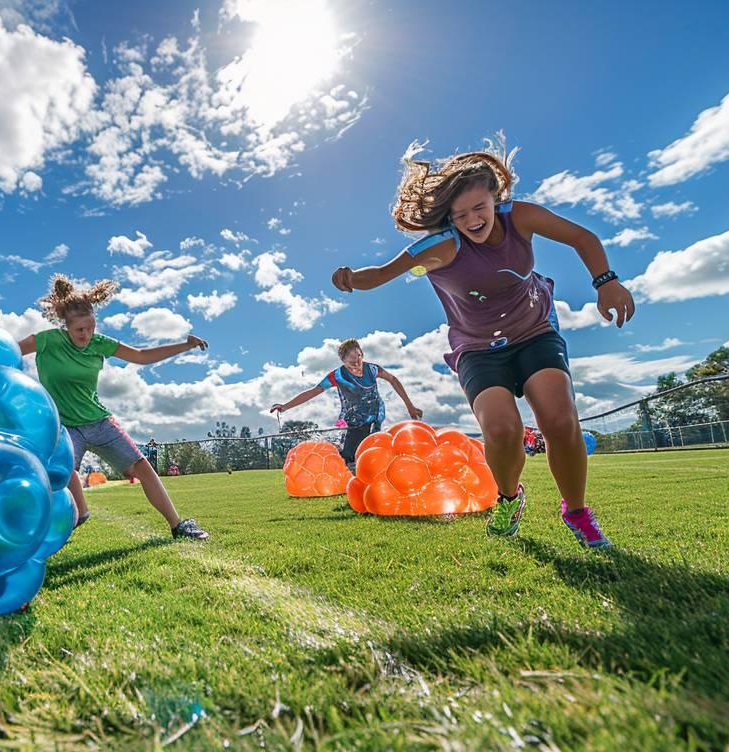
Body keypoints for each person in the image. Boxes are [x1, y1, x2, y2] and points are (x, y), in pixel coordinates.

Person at [329, 137, 635, 548]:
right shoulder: (439, 248)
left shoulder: (520, 218)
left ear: (496, 200)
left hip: (534, 331)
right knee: (502, 429)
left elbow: (582, 237)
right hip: (476, 348)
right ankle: (509, 499)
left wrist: (606, 281)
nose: (472, 219)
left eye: (480, 208)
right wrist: (351, 279)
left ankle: (576, 512)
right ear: (449, 218)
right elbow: (383, 273)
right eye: (460, 214)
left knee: (560, 421)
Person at [19, 275, 210, 540]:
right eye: (79, 330)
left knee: (142, 468)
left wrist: (185, 345)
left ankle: (178, 525)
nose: (86, 335)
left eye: (91, 327)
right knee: (58, 469)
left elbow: (141, 357)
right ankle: (80, 513)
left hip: (98, 422)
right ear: (66, 326)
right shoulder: (47, 340)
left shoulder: (100, 344)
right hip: (64, 427)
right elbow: (10, 350)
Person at [268, 338, 423, 472]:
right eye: (351, 363)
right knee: (349, 455)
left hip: (375, 415)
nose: (357, 365)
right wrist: (285, 406)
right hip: (353, 420)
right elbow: (313, 392)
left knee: (372, 448)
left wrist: (409, 405)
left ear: (362, 354)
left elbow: (393, 379)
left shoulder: (373, 369)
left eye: (359, 359)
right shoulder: (337, 376)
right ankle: (338, 465)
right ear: (343, 361)